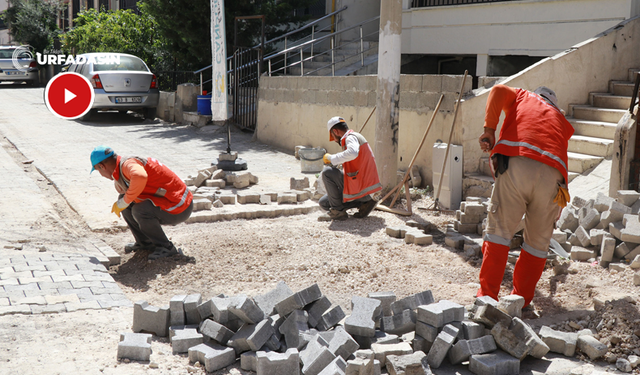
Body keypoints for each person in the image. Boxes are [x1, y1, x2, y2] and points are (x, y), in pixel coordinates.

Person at [477, 84, 573, 311]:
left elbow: (498, 90)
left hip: (519, 160)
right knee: (537, 245)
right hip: (554, 178)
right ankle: (519, 302)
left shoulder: (523, 96)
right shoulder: (560, 119)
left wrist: (490, 129)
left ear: (537, 95)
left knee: (499, 234)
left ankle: (487, 298)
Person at [90, 146, 193, 260]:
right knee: (126, 202)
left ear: (102, 166)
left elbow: (140, 176)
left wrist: (125, 201)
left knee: (139, 209)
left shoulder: (127, 164)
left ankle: (166, 247)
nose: (100, 174)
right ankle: (146, 243)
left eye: (98, 170)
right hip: (171, 202)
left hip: (180, 206)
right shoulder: (123, 166)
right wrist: (124, 198)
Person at [318, 116, 382, 221]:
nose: (334, 140)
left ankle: (338, 212)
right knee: (324, 202)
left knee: (327, 172)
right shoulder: (354, 138)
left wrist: (331, 158)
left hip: (363, 188)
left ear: (335, 131)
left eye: (333, 136)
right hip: (366, 191)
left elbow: (352, 153)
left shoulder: (350, 137)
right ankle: (365, 204)